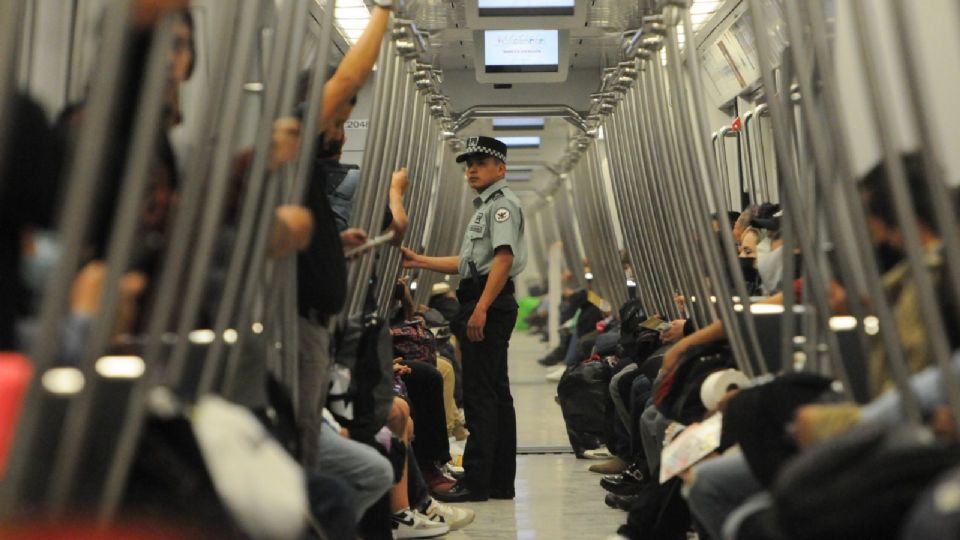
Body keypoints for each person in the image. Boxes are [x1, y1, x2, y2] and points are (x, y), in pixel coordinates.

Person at [400, 136, 527, 502]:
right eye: (468, 163)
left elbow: (502, 260)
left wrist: (482, 308)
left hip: (488, 300)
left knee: (480, 395)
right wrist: (419, 260)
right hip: (485, 294)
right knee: (496, 394)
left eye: (481, 163)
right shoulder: (487, 207)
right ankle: (499, 481)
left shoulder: (501, 207)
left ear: (501, 168)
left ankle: (477, 481)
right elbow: (468, 264)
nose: (472, 169)